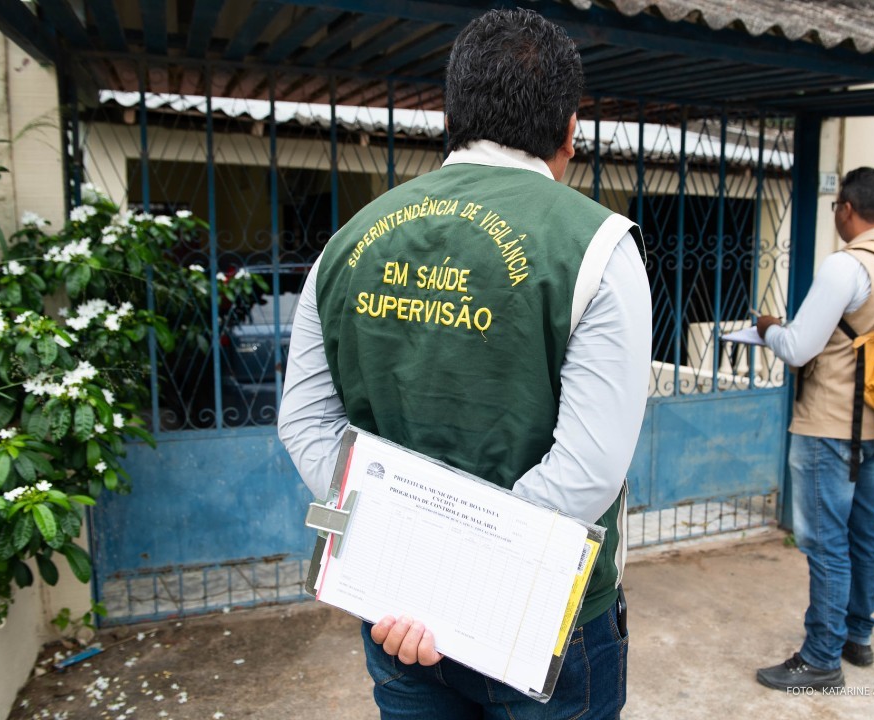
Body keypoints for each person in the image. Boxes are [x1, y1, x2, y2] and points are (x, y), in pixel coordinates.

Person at [278, 8, 651, 719]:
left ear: (450, 115)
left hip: (395, 614)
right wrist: (459, 586)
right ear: (571, 129)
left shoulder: (345, 246)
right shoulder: (599, 249)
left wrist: (416, 576)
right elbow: (589, 472)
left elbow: (305, 425)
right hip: (544, 626)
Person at [754, 167, 874, 691]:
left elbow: (797, 348)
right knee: (866, 531)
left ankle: (821, 657)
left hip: (830, 427)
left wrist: (769, 328)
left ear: (846, 208)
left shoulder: (847, 266)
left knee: (828, 543)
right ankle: (856, 636)